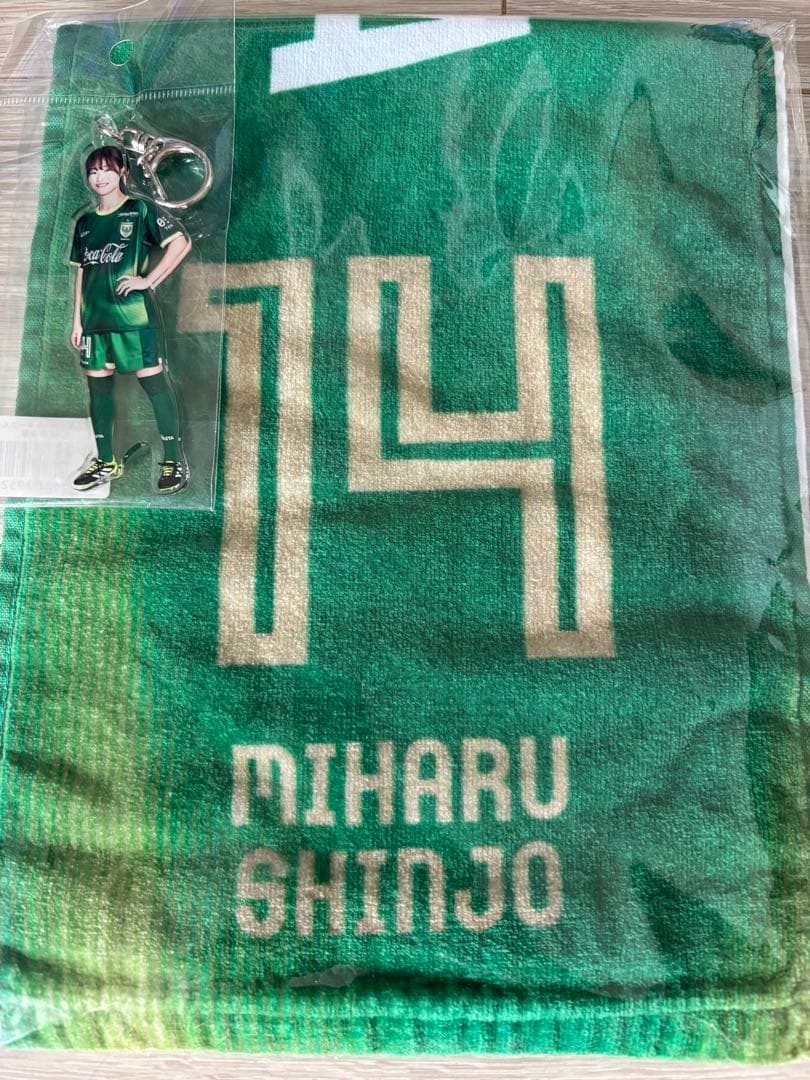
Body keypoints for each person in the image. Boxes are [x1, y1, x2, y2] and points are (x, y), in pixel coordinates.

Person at [69, 145, 192, 494]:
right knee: (98, 390)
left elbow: (180, 243)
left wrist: (148, 281)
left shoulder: (139, 210)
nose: (99, 177)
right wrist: (78, 322)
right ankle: (106, 461)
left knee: (154, 384)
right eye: (93, 171)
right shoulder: (85, 223)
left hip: (133, 318)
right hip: (95, 322)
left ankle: (173, 460)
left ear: (122, 172)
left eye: (106, 169)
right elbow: (82, 273)